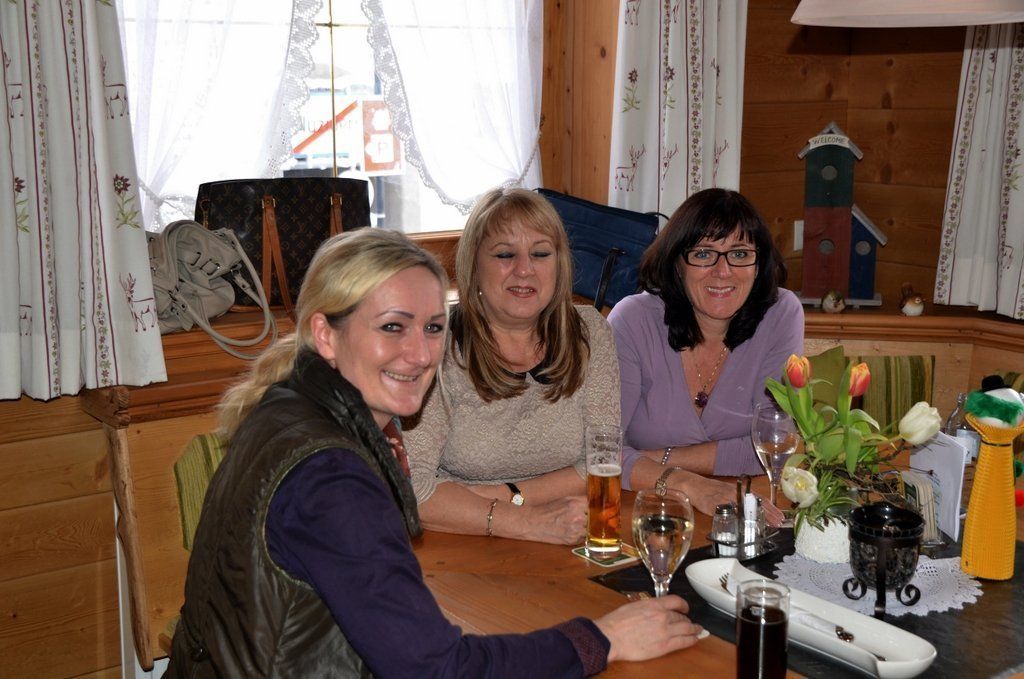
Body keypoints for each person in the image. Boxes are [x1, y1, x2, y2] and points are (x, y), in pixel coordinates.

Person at [165, 229, 704, 678]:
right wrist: (602, 638)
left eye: (432, 328)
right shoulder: (330, 476)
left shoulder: (286, 409)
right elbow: (438, 669)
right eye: (392, 327)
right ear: (325, 335)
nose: (421, 354)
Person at [402, 187, 617, 544]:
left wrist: (498, 496)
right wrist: (527, 520)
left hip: (565, 531)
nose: (525, 270)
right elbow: (412, 489)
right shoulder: (436, 344)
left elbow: (602, 462)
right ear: (474, 265)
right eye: (505, 254)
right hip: (457, 543)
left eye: (540, 254)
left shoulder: (590, 332)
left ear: (559, 264)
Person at [607, 188, 802, 522]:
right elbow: (602, 451)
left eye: (739, 254)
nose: (723, 271)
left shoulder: (780, 314)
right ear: (677, 264)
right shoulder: (633, 320)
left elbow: (776, 445)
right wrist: (688, 483)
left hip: (745, 506)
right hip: (642, 509)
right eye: (703, 253)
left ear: (758, 265)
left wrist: (650, 459)